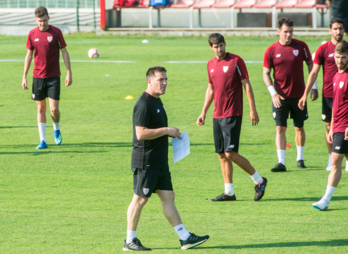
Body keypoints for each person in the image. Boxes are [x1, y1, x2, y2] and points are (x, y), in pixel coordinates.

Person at [124, 66, 209, 251]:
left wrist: (170, 133)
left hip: (159, 161)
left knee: (168, 196)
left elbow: (154, 129)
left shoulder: (157, 101)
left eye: (165, 79)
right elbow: (140, 133)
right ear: (149, 81)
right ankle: (130, 240)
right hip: (145, 160)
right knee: (139, 199)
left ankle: (185, 238)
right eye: (160, 80)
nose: (164, 83)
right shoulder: (143, 104)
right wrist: (166, 130)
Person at [196, 33, 268, 203]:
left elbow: (247, 86)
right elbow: (211, 89)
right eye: (215, 46)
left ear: (225, 44)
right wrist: (203, 112)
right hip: (217, 115)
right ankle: (229, 192)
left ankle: (259, 180)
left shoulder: (236, 61)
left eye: (221, 45)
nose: (219, 49)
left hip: (233, 113)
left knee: (231, 153)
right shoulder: (210, 65)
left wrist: (253, 110)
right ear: (211, 48)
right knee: (222, 154)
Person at [263, 18, 313, 172]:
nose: (288, 35)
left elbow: (311, 65)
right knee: (280, 128)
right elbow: (266, 73)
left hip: (299, 96)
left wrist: (312, 88)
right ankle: (281, 162)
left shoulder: (301, 46)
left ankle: (300, 158)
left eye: (291, 31)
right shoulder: (271, 50)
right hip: (280, 98)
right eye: (285, 32)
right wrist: (273, 94)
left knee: (299, 127)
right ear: (279, 31)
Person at [299, 18, 348, 171]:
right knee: (329, 127)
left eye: (340, 28)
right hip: (329, 95)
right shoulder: (323, 49)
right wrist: (305, 94)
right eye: (335, 29)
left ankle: (346, 160)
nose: (338, 32)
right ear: (330, 30)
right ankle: (331, 158)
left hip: (345, 94)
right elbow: (313, 72)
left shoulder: (347, 49)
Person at [22, 6, 72, 149]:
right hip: (37, 77)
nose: (42, 24)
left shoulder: (56, 32)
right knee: (40, 109)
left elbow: (65, 52)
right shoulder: (32, 34)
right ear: (35, 20)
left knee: (54, 110)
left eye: (44, 20)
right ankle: (43, 141)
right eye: (39, 21)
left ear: (48, 18)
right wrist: (24, 76)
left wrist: (69, 72)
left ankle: (56, 128)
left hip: (53, 77)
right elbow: (29, 55)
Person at [312, 42, 348, 211]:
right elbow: (335, 105)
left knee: (334, 161)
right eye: (337, 57)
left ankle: (325, 200)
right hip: (338, 126)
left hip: (346, 126)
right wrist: (332, 126)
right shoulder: (336, 76)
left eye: (343, 57)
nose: (339, 60)